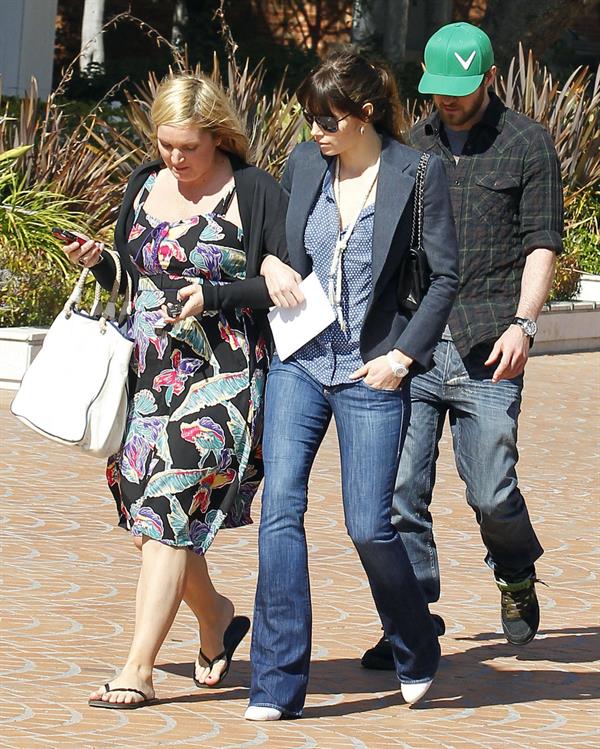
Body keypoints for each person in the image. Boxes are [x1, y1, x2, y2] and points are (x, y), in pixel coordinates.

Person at [60, 73, 289, 708]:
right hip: (147, 373)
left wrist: (214, 296)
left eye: (187, 146)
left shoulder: (253, 191)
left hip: (225, 374)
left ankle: (138, 668)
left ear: (217, 135)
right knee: (152, 526)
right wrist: (98, 260)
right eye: (165, 145)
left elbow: (287, 281)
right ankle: (215, 615)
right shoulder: (142, 184)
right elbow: (135, 273)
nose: (174, 158)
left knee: (165, 515)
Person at [244, 48, 459, 721]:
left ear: (365, 115)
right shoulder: (307, 164)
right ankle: (275, 682)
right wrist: (275, 261)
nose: (315, 130)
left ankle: (415, 640)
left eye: (328, 119)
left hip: (373, 369)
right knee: (279, 508)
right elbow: (280, 246)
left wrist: (402, 356)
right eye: (310, 117)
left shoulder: (419, 173)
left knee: (369, 525)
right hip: (301, 362)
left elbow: (446, 277)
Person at [362, 22, 564, 670]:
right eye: (439, 90)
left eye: (461, 90)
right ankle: (413, 620)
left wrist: (523, 324)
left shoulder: (527, 144)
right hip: (416, 344)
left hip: (489, 342)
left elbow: (541, 242)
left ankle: (514, 572)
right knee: (398, 491)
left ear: (489, 79)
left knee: (491, 491)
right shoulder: (409, 145)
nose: (448, 102)